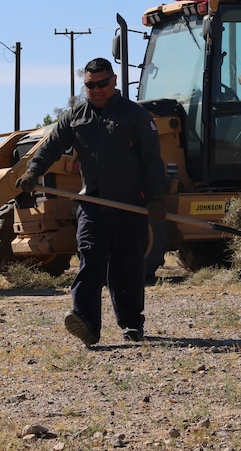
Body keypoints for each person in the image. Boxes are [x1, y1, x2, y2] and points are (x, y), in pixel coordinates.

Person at [15, 57, 167, 346]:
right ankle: (85, 322)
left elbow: (152, 160)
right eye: (89, 85)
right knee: (90, 260)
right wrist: (33, 171)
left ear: (114, 82)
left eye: (101, 84)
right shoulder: (75, 117)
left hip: (130, 205)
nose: (95, 90)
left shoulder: (136, 116)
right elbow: (50, 147)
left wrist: (157, 197)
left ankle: (131, 323)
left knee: (127, 266)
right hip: (93, 204)